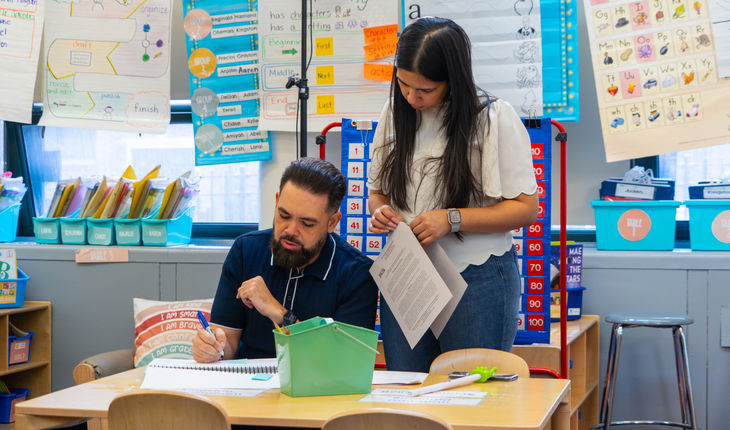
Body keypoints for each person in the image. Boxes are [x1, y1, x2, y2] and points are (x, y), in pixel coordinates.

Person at [367, 17, 539, 372]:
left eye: (425, 90)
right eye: (403, 84)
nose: (412, 97)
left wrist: (451, 219)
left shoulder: (493, 118)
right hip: (408, 273)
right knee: (409, 396)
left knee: (472, 403)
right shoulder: (394, 114)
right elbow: (377, 192)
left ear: (454, 79)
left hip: (476, 277)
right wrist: (381, 210)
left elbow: (525, 210)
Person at [193, 157, 378, 363]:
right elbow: (226, 343)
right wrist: (212, 348)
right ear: (276, 201)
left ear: (332, 222)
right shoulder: (245, 251)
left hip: (318, 392)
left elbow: (342, 364)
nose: (290, 231)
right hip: (247, 386)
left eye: (306, 223)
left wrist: (280, 314)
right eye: (284, 215)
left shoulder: (358, 274)